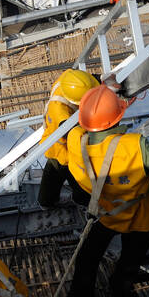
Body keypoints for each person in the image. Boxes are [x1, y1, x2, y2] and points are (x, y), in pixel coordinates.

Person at [64, 84, 149, 297]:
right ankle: (120, 292)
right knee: (131, 260)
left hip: (104, 214)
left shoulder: (74, 141)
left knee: (87, 260)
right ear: (117, 116)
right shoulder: (134, 147)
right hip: (140, 216)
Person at [38, 68, 99, 209]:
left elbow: (85, 82)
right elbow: (75, 136)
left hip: (55, 146)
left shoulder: (69, 79)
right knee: (76, 176)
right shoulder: (61, 115)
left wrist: (101, 79)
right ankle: (81, 199)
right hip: (63, 149)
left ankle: (46, 201)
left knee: (52, 175)